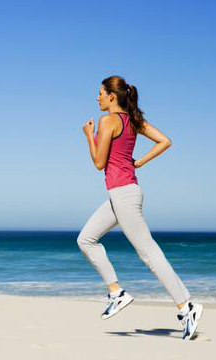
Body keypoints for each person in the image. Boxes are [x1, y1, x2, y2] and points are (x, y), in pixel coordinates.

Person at [77, 75, 203, 340]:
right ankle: (116, 292)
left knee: (150, 254)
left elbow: (99, 162)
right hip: (122, 195)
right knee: (86, 239)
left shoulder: (107, 121)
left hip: (123, 195)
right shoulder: (133, 121)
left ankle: (186, 306)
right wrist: (140, 162)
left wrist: (89, 136)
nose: (97, 97)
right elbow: (165, 141)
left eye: (100, 93)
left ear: (112, 96)